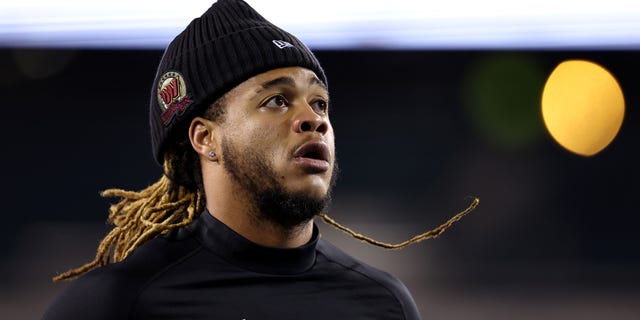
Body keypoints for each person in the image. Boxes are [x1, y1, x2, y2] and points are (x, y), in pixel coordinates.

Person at [41, 0, 427, 319]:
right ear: (205, 137)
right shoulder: (118, 304)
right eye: (276, 100)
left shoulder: (383, 304)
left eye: (320, 102)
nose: (315, 120)